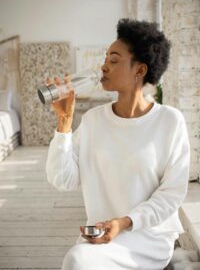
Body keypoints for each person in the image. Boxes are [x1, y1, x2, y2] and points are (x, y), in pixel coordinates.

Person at [46, 19, 190, 270]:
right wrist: (64, 122)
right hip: (102, 234)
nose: (103, 67)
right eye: (105, 59)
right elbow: (61, 179)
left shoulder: (169, 121)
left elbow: (172, 195)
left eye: (114, 60)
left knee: (76, 261)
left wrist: (123, 223)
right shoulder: (93, 121)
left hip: (148, 236)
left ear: (140, 70)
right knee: (77, 260)